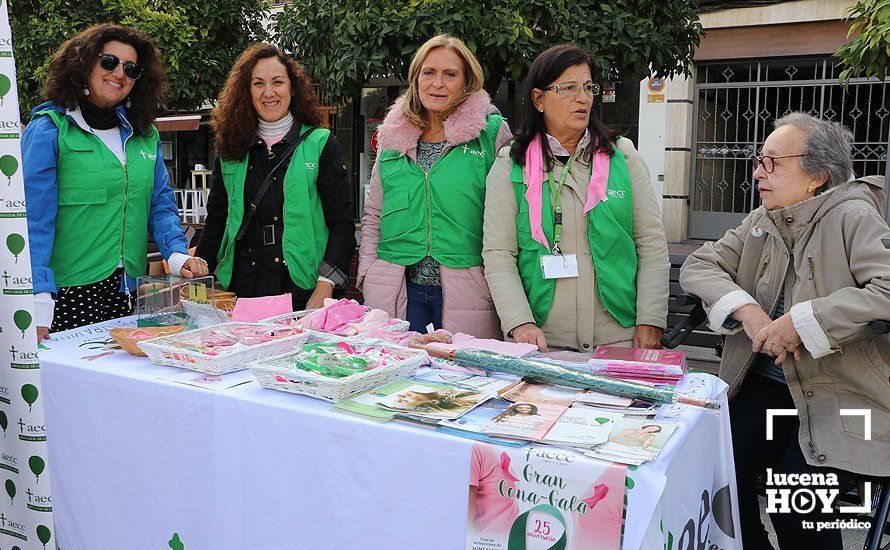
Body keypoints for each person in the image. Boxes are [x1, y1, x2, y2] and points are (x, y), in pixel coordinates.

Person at [680, 112, 890, 550]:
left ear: (816, 176)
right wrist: (750, 311)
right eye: (760, 160)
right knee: (713, 479)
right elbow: (701, 264)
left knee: (796, 503)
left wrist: (803, 320)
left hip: (841, 393)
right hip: (767, 384)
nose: (758, 171)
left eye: (773, 162)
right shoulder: (764, 220)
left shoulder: (853, 216)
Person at [23, 24, 207, 341]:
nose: (119, 73)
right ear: (85, 64)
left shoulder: (145, 136)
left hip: (127, 290)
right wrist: (37, 302)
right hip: (64, 295)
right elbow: (33, 221)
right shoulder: (49, 129)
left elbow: (161, 206)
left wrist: (177, 255)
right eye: (109, 62)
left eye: (131, 69)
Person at [482, 45, 669, 353]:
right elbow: (499, 253)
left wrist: (650, 320)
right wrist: (519, 323)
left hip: (619, 339)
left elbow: (650, 243)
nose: (582, 98)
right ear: (539, 99)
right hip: (542, 341)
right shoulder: (510, 164)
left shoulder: (622, 156)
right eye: (568, 88)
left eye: (588, 87)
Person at [357, 34, 512, 337]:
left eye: (450, 74)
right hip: (397, 289)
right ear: (415, 79)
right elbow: (374, 214)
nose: (437, 83)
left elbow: (510, 217)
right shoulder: (392, 137)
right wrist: (368, 273)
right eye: (429, 73)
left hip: (468, 291)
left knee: (460, 380)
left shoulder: (490, 132)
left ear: (466, 83)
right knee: (399, 379)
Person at [196, 44, 355, 311]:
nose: (268, 92)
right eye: (258, 83)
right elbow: (217, 222)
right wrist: (198, 275)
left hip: (303, 293)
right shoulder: (232, 149)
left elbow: (341, 224)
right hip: (242, 291)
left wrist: (325, 285)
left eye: (277, 82)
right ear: (247, 91)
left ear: (292, 87)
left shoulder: (320, 143)